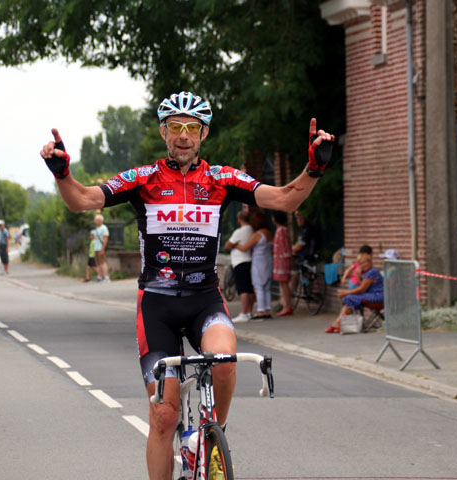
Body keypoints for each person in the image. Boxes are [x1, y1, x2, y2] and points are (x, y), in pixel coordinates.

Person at [39, 90, 335, 480]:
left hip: (204, 300)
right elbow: (82, 200)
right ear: (164, 132)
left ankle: (213, 438)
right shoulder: (143, 180)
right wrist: (62, 174)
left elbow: (283, 200)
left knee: (225, 364)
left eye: (191, 128)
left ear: (203, 134)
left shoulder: (221, 179)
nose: (183, 135)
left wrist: (313, 169)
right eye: (175, 127)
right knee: (164, 415)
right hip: (157, 306)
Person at [325, 253, 384, 333]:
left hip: (377, 296)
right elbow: (362, 286)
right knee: (349, 300)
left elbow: (362, 289)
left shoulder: (372, 272)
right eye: (361, 264)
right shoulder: (367, 273)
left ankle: (338, 323)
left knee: (349, 298)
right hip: (370, 294)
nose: (363, 265)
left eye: (365, 262)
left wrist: (346, 292)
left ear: (370, 262)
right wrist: (358, 275)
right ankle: (338, 323)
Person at [233, 209, 273, 319]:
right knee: (267, 287)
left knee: (259, 285)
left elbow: (245, 247)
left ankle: (261, 311)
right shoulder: (269, 232)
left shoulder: (258, 234)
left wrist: (234, 245)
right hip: (268, 260)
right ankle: (268, 309)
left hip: (258, 262)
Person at [224, 211, 255, 323]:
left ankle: (244, 313)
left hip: (240, 261)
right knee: (249, 288)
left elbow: (228, 245)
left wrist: (234, 245)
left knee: (243, 289)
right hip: (249, 260)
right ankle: (249, 312)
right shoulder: (251, 229)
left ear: (239, 219)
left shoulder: (240, 231)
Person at [272, 210, 294, 316]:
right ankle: (285, 304)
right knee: (283, 284)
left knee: (284, 284)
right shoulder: (280, 230)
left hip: (282, 261)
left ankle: (287, 306)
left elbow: (286, 248)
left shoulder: (282, 231)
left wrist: (288, 260)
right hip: (279, 260)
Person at [93, 214, 110, 282]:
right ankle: (99, 276)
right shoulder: (97, 228)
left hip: (100, 248)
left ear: (100, 220)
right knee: (98, 263)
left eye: (96, 220)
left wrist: (103, 249)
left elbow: (105, 239)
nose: (95, 221)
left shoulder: (104, 228)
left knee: (102, 262)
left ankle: (106, 277)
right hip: (96, 248)